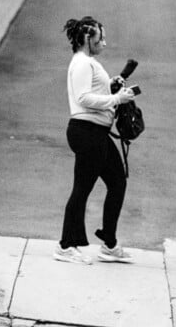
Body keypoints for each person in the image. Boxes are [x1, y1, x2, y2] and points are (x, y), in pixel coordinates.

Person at [54, 16, 136, 265]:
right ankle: (65, 246)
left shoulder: (88, 63)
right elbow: (83, 98)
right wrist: (117, 99)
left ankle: (109, 243)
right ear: (87, 39)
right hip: (87, 133)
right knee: (81, 189)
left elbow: (93, 91)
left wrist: (111, 85)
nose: (104, 43)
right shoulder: (82, 63)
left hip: (95, 133)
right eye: (101, 39)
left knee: (117, 182)